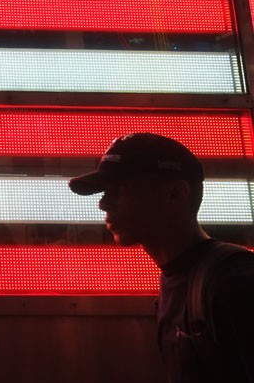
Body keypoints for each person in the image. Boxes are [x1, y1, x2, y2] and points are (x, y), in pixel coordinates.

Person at [68, 132, 254, 382]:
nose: (103, 204)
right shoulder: (178, 283)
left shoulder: (235, 282)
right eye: (103, 192)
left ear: (175, 194)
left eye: (119, 189)